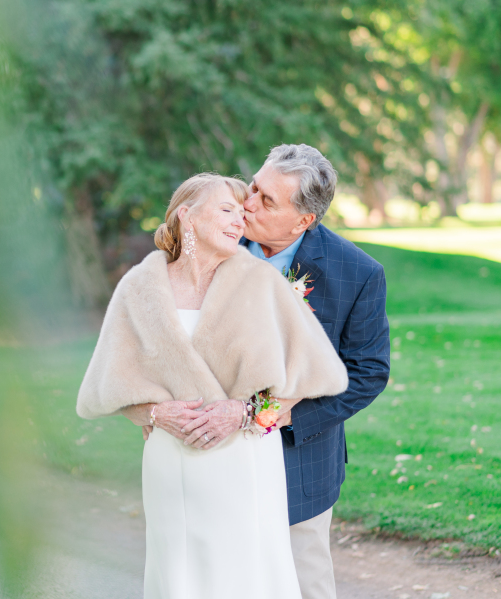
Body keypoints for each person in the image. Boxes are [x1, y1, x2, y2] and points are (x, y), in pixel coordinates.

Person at [76, 173, 349, 599]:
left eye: (243, 212)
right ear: (187, 215)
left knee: (249, 577)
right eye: (227, 209)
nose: (240, 219)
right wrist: (153, 412)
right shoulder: (139, 288)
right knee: (179, 577)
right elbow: (109, 386)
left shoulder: (262, 283)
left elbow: (314, 376)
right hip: (170, 459)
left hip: (247, 458)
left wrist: (242, 413)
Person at [181, 145, 391, 599]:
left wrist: (268, 413)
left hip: (298, 460)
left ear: (303, 221)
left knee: (303, 583)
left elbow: (367, 372)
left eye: (266, 200)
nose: (248, 202)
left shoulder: (356, 274)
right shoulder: (209, 242)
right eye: (253, 186)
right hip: (205, 453)